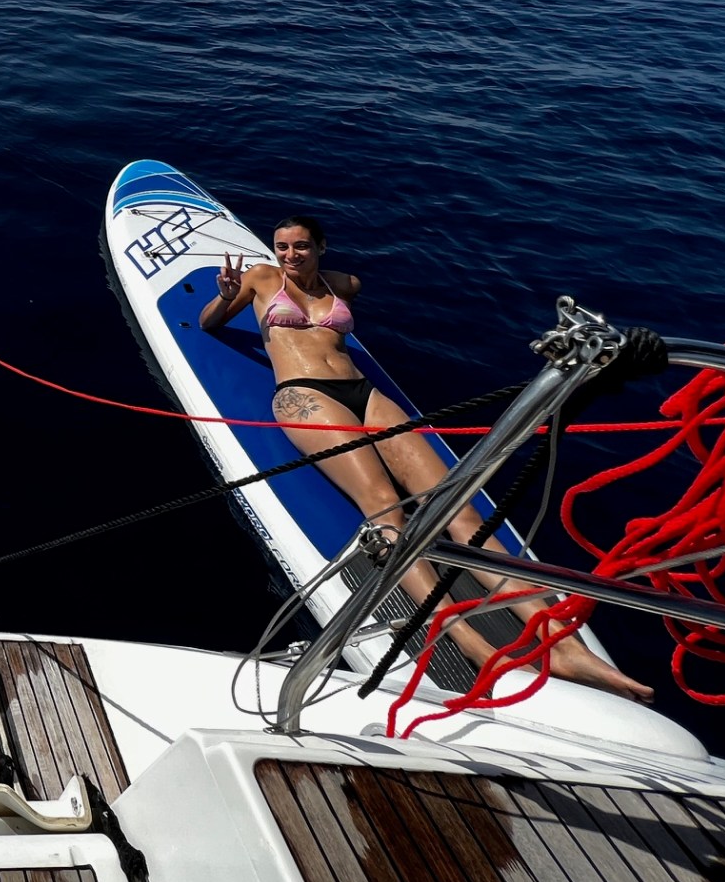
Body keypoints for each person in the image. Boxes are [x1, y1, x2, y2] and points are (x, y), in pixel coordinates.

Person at [200, 214, 652, 703]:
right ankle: (470, 643)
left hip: (364, 392)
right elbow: (211, 322)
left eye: (301, 246)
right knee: (383, 507)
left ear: (321, 247)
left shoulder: (339, 284)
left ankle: (564, 645)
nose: (290, 255)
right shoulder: (262, 279)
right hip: (303, 393)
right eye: (282, 246)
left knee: (459, 509)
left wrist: (336, 289)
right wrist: (227, 295)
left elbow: (354, 283)